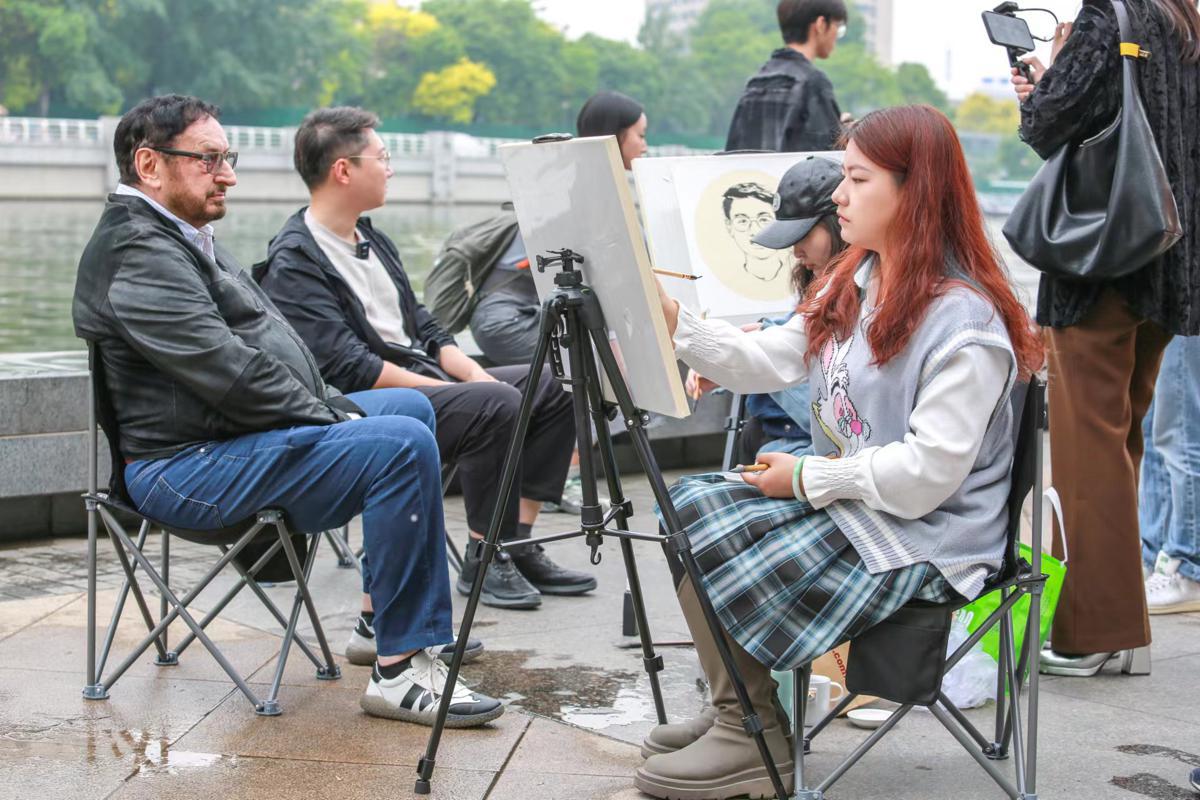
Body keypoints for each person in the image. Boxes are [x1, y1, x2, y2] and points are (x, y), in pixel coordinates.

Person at [636, 105, 1042, 800]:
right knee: (690, 503)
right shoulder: (858, 280)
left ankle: (749, 736)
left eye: (857, 179)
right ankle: (742, 712)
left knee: (730, 532)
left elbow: (924, 480)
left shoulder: (965, 324)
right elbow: (771, 357)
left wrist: (806, 477)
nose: (839, 196)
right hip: (867, 507)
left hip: (932, 540)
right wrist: (677, 325)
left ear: (914, 190)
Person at [72, 94, 502, 728]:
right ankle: (401, 669)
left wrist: (331, 408)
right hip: (183, 469)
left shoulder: (178, 236)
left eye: (228, 157)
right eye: (210, 159)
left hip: (227, 441)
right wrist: (334, 419)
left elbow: (263, 356)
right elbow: (229, 371)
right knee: (398, 443)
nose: (229, 174)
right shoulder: (138, 252)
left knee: (411, 407)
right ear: (149, 164)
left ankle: (384, 620)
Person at [256, 107, 595, 613]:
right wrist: (454, 390)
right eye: (382, 157)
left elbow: (424, 323)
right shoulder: (295, 261)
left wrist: (471, 373)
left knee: (554, 379)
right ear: (343, 170)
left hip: (417, 378)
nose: (390, 168)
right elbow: (349, 366)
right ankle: (487, 554)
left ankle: (518, 541)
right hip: (365, 407)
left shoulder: (371, 237)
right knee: (495, 404)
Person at [1010, 0, 1200, 677]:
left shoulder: (1108, 14)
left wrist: (1042, 79)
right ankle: (1115, 627)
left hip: (1101, 263)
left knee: (1087, 455)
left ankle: (1094, 633)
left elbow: (1048, 122)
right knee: (1121, 443)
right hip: (1167, 261)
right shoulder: (1185, 23)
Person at [469, 90, 648, 368]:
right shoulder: (590, 191)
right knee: (604, 358)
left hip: (519, 316)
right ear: (616, 136)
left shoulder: (578, 179)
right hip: (511, 322)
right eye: (641, 135)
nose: (645, 146)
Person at [686, 156, 847, 464]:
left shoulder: (863, 290)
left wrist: (753, 350)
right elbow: (793, 333)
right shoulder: (818, 279)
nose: (796, 251)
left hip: (804, 448)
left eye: (803, 236)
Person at [725, 0, 847, 153]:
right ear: (821, 24)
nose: (837, 36)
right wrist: (844, 131)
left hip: (753, 176)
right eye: (838, 27)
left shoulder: (755, 83)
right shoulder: (813, 82)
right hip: (790, 177)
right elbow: (828, 157)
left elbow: (732, 153)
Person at [1139, 337, 1200, 613]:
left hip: (1188, 300)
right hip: (1168, 298)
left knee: (1181, 429)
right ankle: (1155, 557)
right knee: (1156, 430)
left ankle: (1189, 566)